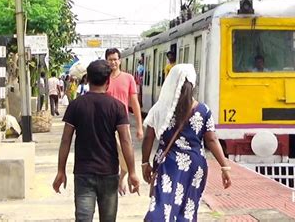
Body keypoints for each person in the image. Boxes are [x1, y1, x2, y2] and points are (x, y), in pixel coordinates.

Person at [52, 60, 140, 221]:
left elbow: (66, 140)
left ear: (87, 80)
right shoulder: (117, 107)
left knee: (83, 218)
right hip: (109, 172)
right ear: (108, 81)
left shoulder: (76, 105)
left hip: (83, 173)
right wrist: (132, 172)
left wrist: (60, 170)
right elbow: (126, 140)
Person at [142, 64, 232, 221]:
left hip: (167, 162)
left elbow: (148, 137)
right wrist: (224, 167)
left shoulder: (160, 108)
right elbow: (211, 139)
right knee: (188, 208)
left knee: (162, 204)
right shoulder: (203, 110)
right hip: (195, 165)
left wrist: (145, 163)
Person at [105, 48, 144, 195]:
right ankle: (114, 181)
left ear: (120, 60)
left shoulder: (128, 78)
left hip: (123, 124)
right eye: (110, 59)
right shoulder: (103, 78)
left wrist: (139, 127)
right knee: (110, 156)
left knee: (127, 155)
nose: (113, 62)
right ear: (106, 61)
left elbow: (134, 104)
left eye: (115, 59)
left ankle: (122, 178)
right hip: (106, 124)